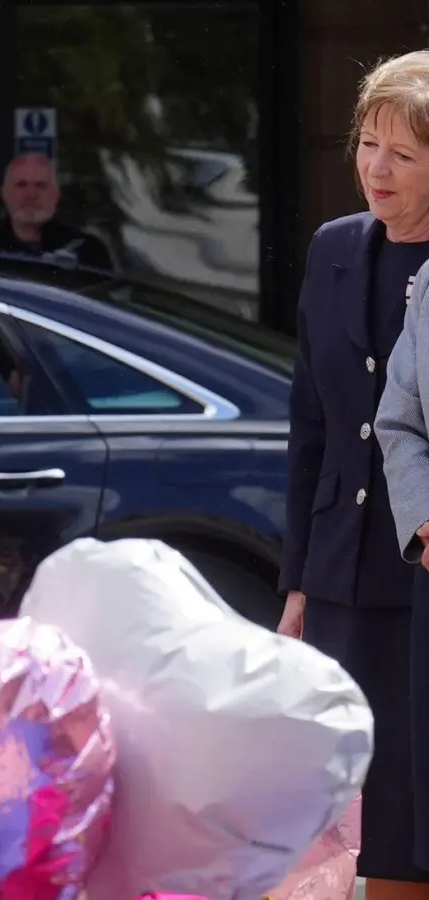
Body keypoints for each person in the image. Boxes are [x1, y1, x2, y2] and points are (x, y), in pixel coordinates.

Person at [284, 49, 429, 900]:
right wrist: (298, 576)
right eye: (367, 144)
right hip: (344, 565)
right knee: (352, 801)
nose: (375, 168)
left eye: (403, 154)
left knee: (413, 800)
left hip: (421, 562)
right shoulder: (335, 247)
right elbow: (313, 421)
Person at [0, 152, 115, 271]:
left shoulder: (87, 252)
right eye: (21, 185)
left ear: (56, 194)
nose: (31, 195)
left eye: (41, 186)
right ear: (5, 194)